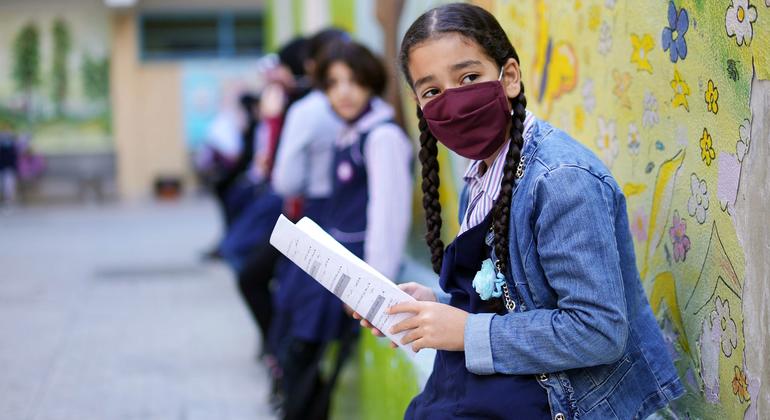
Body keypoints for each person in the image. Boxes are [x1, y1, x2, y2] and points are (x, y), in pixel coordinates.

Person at [355, 3, 684, 419]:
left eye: (469, 78)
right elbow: (511, 296)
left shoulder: (560, 180)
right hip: (483, 388)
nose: (453, 102)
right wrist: (433, 307)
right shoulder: (482, 170)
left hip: (555, 401)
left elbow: (598, 331)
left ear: (508, 77)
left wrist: (466, 330)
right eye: (432, 91)